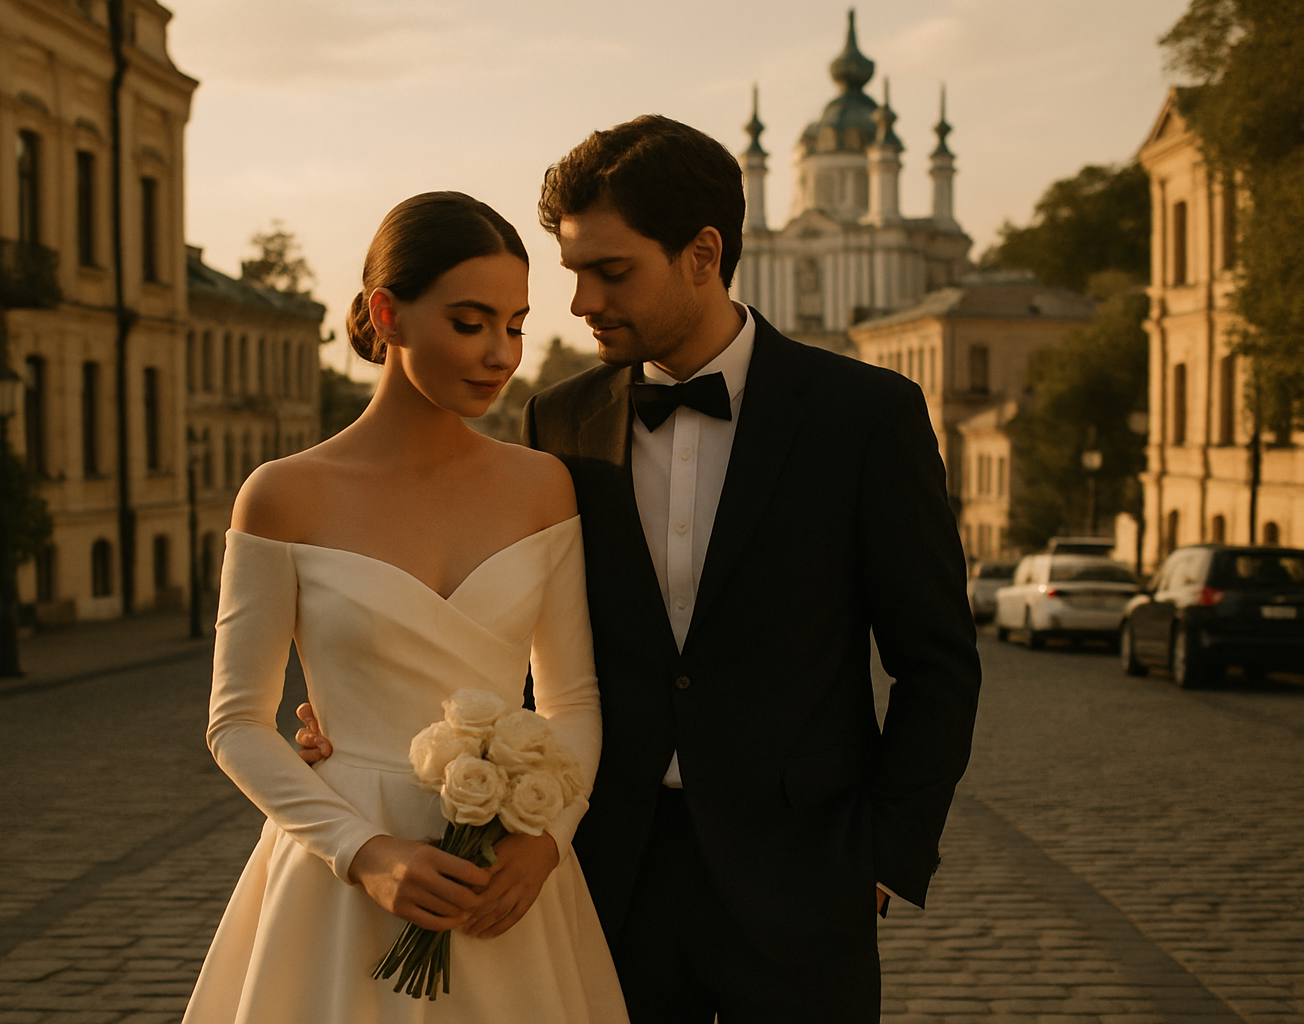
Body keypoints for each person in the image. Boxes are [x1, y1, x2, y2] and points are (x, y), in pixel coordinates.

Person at [303, 117, 981, 1022]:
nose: (579, 301)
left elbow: (936, 662)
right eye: (573, 270)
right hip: (600, 878)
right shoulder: (560, 418)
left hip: (804, 880)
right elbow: (524, 646)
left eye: (609, 271)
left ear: (702, 254)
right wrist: (361, 714)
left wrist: (886, 857)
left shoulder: (867, 415)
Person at [185, 191, 630, 1024]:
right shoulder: (282, 495)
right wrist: (365, 853)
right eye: (470, 323)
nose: (500, 353)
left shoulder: (544, 487)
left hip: (506, 876)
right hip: (343, 876)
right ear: (388, 313)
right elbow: (236, 723)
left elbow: (572, 701)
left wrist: (544, 843)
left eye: (515, 324)